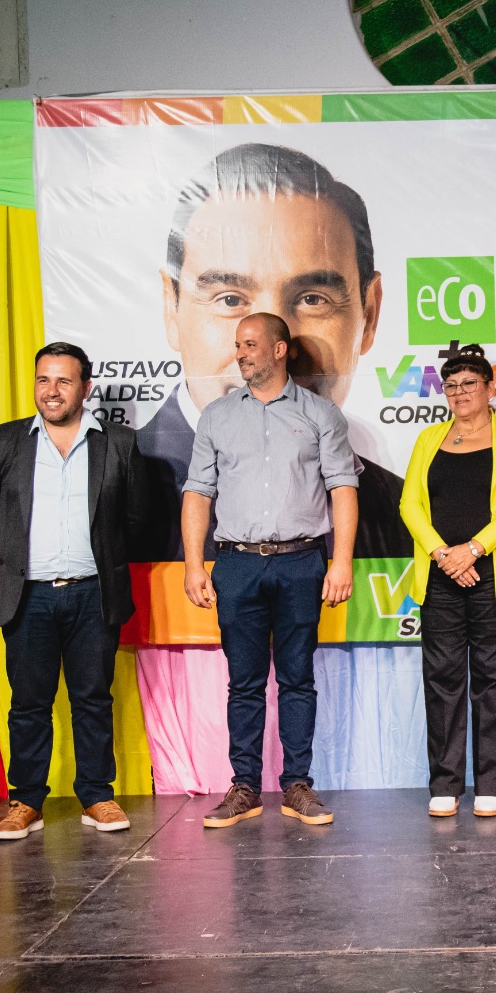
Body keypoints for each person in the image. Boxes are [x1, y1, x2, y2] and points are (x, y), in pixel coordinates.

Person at [140, 142, 409, 560]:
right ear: (171, 310)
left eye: (313, 299)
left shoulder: (398, 514)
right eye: (230, 299)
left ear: (369, 315)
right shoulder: (121, 491)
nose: (273, 349)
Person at [182, 312, 358, 829]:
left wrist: (341, 561)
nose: (241, 353)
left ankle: (297, 785)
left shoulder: (321, 413)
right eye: (238, 344)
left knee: (298, 680)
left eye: (251, 344)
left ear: (280, 350)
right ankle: (244, 787)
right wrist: (194, 564)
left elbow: (343, 489)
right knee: (244, 683)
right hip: (236, 564)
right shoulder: (216, 416)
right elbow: (198, 493)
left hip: (302, 562)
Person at [0, 342, 147, 841]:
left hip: (94, 595)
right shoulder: (5, 441)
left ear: (85, 388)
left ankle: (96, 795)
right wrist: (17, 556)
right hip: (28, 596)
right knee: (29, 703)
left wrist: (102, 556)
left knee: (93, 699)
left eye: (64, 381)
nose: (52, 390)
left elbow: (136, 519)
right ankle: (26, 801)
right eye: (43, 379)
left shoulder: (118, 443)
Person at [399, 344, 496, 819]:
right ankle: (445, 784)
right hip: (440, 578)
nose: (459, 393)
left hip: (493, 576)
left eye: (469, 384)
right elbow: (410, 504)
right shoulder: (428, 439)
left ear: (490, 389)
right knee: (442, 680)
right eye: (451, 386)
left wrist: (472, 550)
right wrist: (443, 554)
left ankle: (490, 784)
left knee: (493, 682)